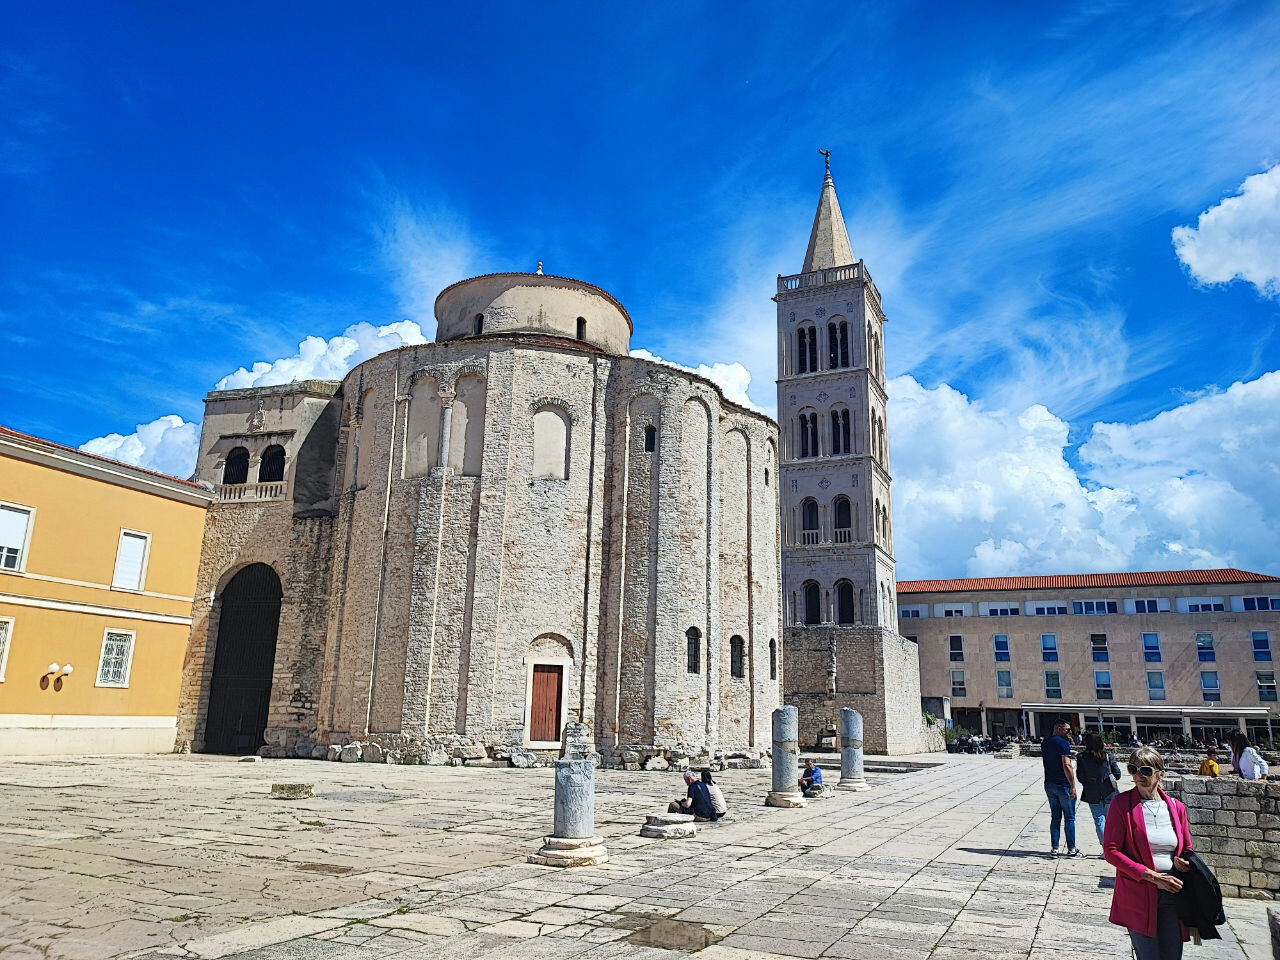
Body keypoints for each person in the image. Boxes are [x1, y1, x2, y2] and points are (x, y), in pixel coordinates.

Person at [1103, 747, 1194, 960]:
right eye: (1133, 769)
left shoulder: (1176, 807)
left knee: (1172, 956)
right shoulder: (1121, 804)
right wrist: (1151, 876)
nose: (1138, 776)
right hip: (1139, 894)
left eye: (1145, 770)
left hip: (1172, 894)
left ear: (1160, 774)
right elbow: (1111, 851)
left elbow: (1187, 849)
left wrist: (1186, 864)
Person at [1042, 719, 1083, 857]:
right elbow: (1067, 765)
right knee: (1069, 818)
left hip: (1049, 784)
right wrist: (1073, 785)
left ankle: (1054, 848)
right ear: (1059, 728)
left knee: (1055, 817)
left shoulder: (1045, 743)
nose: (1069, 732)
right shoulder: (1062, 744)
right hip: (1063, 785)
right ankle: (1072, 849)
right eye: (1067, 730)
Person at [1077, 732, 1121, 849]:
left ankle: (1105, 848)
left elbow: (1080, 777)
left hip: (1092, 792)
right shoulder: (1108, 757)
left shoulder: (1081, 757)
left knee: (1099, 820)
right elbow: (1117, 774)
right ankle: (1114, 847)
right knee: (1112, 821)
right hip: (1109, 792)